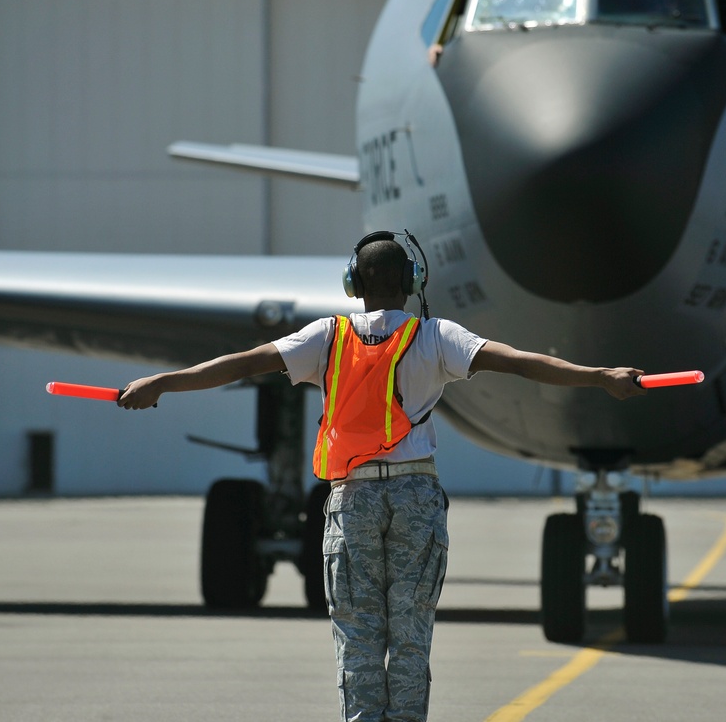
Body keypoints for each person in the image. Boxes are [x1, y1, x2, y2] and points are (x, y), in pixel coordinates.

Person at [118, 230, 645, 722]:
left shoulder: (327, 337)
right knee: (411, 631)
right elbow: (521, 363)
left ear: (354, 284)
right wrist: (601, 378)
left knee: (358, 631)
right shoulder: (436, 336)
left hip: (354, 497)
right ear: (412, 283)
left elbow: (241, 364)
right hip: (416, 492)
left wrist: (161, 382)